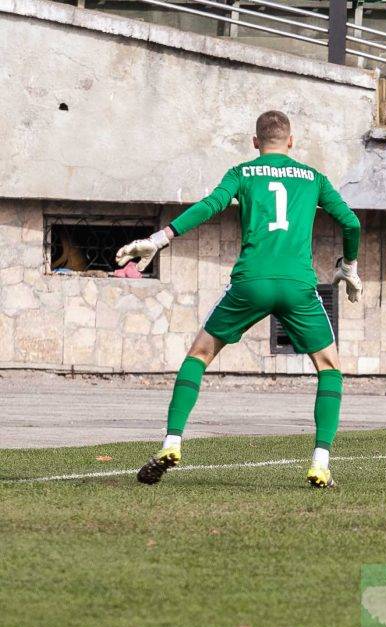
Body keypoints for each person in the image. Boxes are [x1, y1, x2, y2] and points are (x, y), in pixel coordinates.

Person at [116, 111, 363, 489]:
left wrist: (160, 237)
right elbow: (352, 223)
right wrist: (349, 265)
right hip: (298, 285)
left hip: (250, 282)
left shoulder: (242, 174)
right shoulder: (313, 178)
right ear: (291, 142)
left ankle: (172, 441)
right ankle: (320, 463)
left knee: (199, 355)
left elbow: (210, 205)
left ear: (255, 142)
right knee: (329, 367)